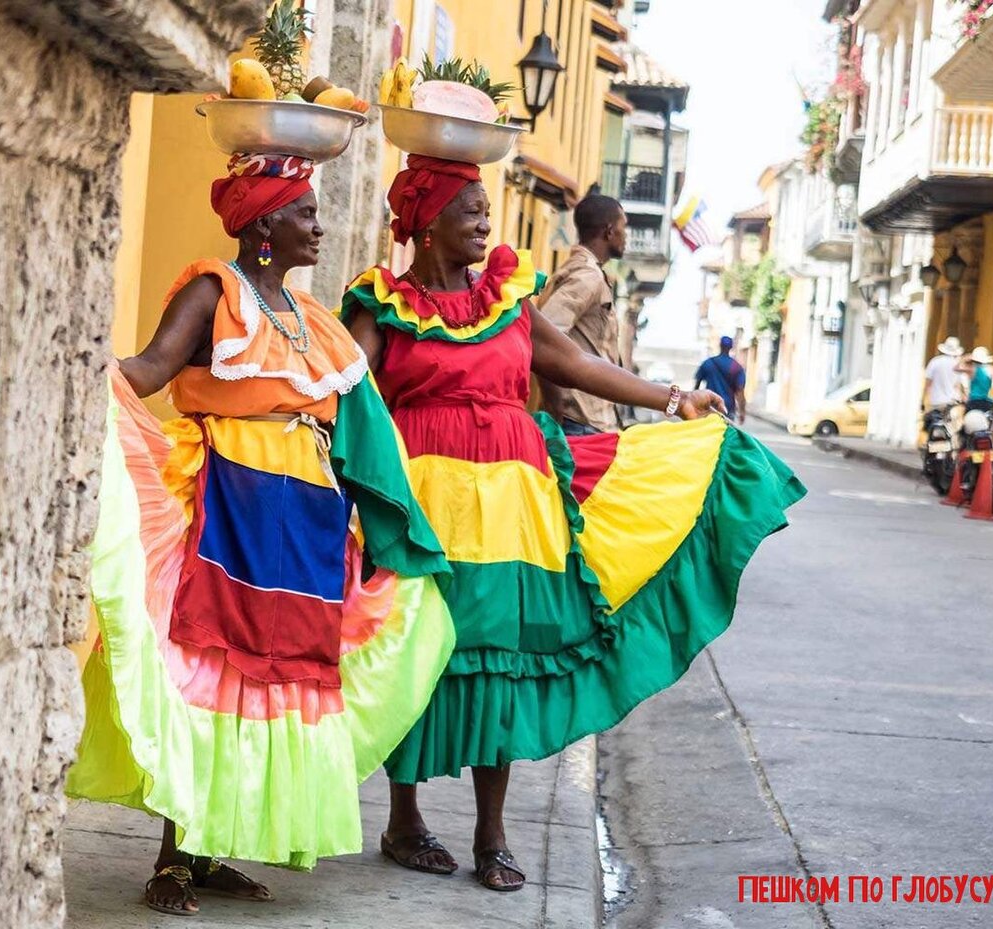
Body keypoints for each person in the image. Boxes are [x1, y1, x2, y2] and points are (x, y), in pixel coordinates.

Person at [340, 154, 805, 892]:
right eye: (469, 209)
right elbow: (340, 386)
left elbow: (576, 368)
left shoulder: (508, 300)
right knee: (420, 654)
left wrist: (671, 397)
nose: (485, 221)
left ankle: (492, 832)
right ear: (426, 225)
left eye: (487, 208)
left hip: (515, 507)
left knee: (505, 655)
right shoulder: (382, 305)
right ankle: (404, 818)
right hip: (423, 505)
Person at [66, 152, 455, 916]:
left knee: (267, 678)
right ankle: (173, 859)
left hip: (304, 522)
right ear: (266, 224)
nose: (318, 223)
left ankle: (210, 853)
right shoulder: (215, 289)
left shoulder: (315, 323)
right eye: (305, 211)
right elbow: (146, 370)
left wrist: (386, 531)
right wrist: (71, 369)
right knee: (207, 664)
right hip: (225, 506)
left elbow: (359, 431)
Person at [536, 194, 626, 435]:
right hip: (580, 422)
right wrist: (554, 405)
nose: (625, 235)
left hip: (586, 421)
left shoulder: (581, 271)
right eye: (623, 227)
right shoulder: (588, 276)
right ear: (608, 232)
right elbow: (544, 338)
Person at [694, 336, 746, 424]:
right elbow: (740, 391)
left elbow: (697, 385)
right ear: (731, 347)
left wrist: (695, 403)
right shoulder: (736, 367)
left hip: (709, 405)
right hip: (728, 408)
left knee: (708, 432)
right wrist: (742, 412)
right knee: (725, 434)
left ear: (720, 346)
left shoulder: (708, 363)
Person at [924, 336, 964, 409]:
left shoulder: (934, 362)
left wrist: (923, 399)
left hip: (936, 401)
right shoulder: (958, 365)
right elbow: (958, 386)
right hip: (952, 401)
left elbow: (928, 384)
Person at [959, 345, 993, 412]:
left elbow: (963, 388)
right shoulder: (991, 370)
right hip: (986, 403)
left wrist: (964, 358)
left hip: (972, 402)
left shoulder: (969, 370)